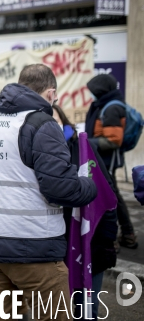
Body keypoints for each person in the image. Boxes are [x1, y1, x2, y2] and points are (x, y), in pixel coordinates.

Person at [0, 64, 97, 320]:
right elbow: (60, 188)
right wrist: (88, 185)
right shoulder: (42, 123)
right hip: (32, 245)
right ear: (50, 93)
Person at [53, 104, 118, 320]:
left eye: (53, 119)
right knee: (58, 310)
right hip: (53, 247)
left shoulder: (83, 148)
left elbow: (107, 194)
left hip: (90, 242)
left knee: (86, 311)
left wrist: (108, 238)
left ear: (62, 119)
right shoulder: (33, 153)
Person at [85, 74, 138, 249]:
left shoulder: (112, 108)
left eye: (93, 91)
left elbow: (113, 140)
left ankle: (119, 235)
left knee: (111, 197)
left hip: (107, 160)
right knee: (112, 195)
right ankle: (125, 233)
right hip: (100, 158)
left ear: (100, 90)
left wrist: (86, 141)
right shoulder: (101, 105)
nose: (91, 94)